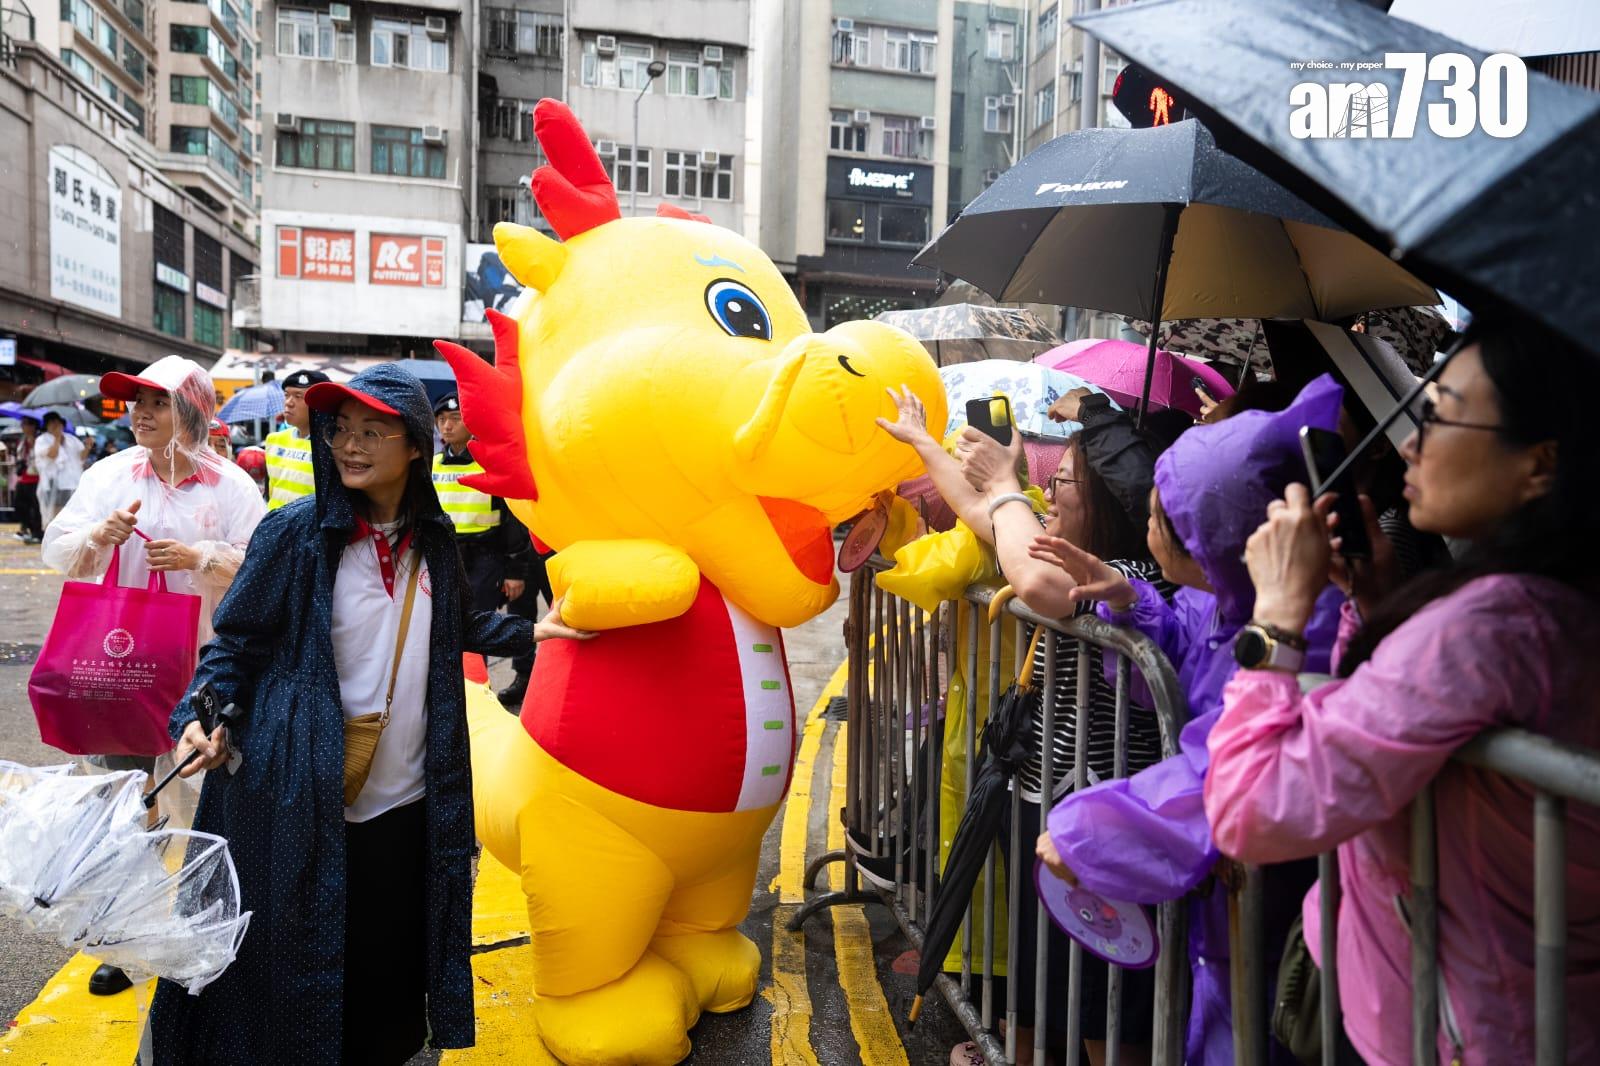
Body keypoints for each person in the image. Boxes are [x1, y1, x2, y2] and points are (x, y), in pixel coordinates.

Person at [146, 364, 592, 1066]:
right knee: (291, 954)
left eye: (371, 432)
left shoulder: (432, 539)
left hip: (412, 796)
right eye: (341, 431)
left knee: (388, 953)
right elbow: (237, 640)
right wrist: (202, 713)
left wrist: (531, 632)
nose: (349, 446)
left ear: (414, 444)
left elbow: (451, 624)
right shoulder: (294, 537)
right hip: (304, 792)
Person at [1205, 319, 1600, 1066]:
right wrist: (1380, 598)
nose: (1412, 443)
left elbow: (1250, 810)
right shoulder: (1557, 604)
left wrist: (1278, 620)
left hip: (1450, 1030)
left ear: (1540, 464)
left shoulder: (1491, 625)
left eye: (1442, 411)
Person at [1031, 376, 1348, 1066]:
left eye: (1163, 516)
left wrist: (1089, 831)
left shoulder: (1303, 629)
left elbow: (1226, 770)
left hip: (1275, 904)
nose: (1149, 527)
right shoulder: (1239, 603)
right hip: (1234, 905)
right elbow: (1183, 649)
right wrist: (1131, 601)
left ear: (1219, 535)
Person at [879, 386, 1172, 1066]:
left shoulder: (1127, 575)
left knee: (1104, 983)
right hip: (1047, 797)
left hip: (1100, 807)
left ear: (1103, 501)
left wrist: (1009, 481)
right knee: (1053, 959)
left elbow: (1037, 584)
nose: (1052, 492)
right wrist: (925, 444)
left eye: (1064, 481)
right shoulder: (1069, 548)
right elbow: (984, 512)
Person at [40, 354, 265, 997]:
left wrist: (203, 557)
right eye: (135, 401)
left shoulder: (230, 487)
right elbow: (60, 547)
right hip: (120, 668)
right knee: (129, 803)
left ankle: (198, 928)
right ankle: (124, 940)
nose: (139, 412)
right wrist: (99, 537)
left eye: (156, 402)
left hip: (204, 669)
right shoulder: (110, 475)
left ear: (191, 411)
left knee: (203, 802)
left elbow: (262, 567)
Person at [430, 392, 533, 614]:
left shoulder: (492, 463)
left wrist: (515, 571)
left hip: (485, 556)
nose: (447, 426)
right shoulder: (433, 463)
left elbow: (513, 519)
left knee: (478, 624)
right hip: (445, 554)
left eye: (456, 418)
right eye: (441, 419)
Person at [262, 369, 328, 510]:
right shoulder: (274, 440)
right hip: (276, 527)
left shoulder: (333, 446)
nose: (289, 403)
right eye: (287, 395)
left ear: (319, 403)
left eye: (299, 396)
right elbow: (271, 492)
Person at [33, 411, 85, 529]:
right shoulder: (42, 440)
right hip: (53, 483)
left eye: (57, 422)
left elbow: (81, 457)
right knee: (56, 515)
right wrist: (56, 438)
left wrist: (87, 446)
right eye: (52, 423)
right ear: (46, 425)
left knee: (73, 514)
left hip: (72, 482)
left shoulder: (71, 439)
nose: (56, 425)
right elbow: (52, 455)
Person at [13, 414, 42, 543]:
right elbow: (19, 456)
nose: (23, 427)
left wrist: (33, 444)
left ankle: (37, 533)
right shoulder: (22, 441)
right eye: (22, 424)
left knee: (36, 508)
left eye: (25, 424)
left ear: (33, 426)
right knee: (19, 505)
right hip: (23, 479)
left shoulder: (40, 440)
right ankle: (28, 527)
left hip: (37, 479)